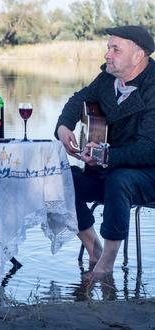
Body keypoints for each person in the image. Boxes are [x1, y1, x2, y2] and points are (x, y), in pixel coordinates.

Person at [55, 25, 155, 277]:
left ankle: (108, 263)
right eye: (108, 47)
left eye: (115, 49)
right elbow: (79, 99)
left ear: (138, 56)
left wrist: (104, 156)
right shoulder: (108, 78)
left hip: (146, 176)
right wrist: (64, 127)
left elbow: (148, 149)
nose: (107, 54)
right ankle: (94, 248)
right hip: (104, 170)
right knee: (57, 179)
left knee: (119, 180)